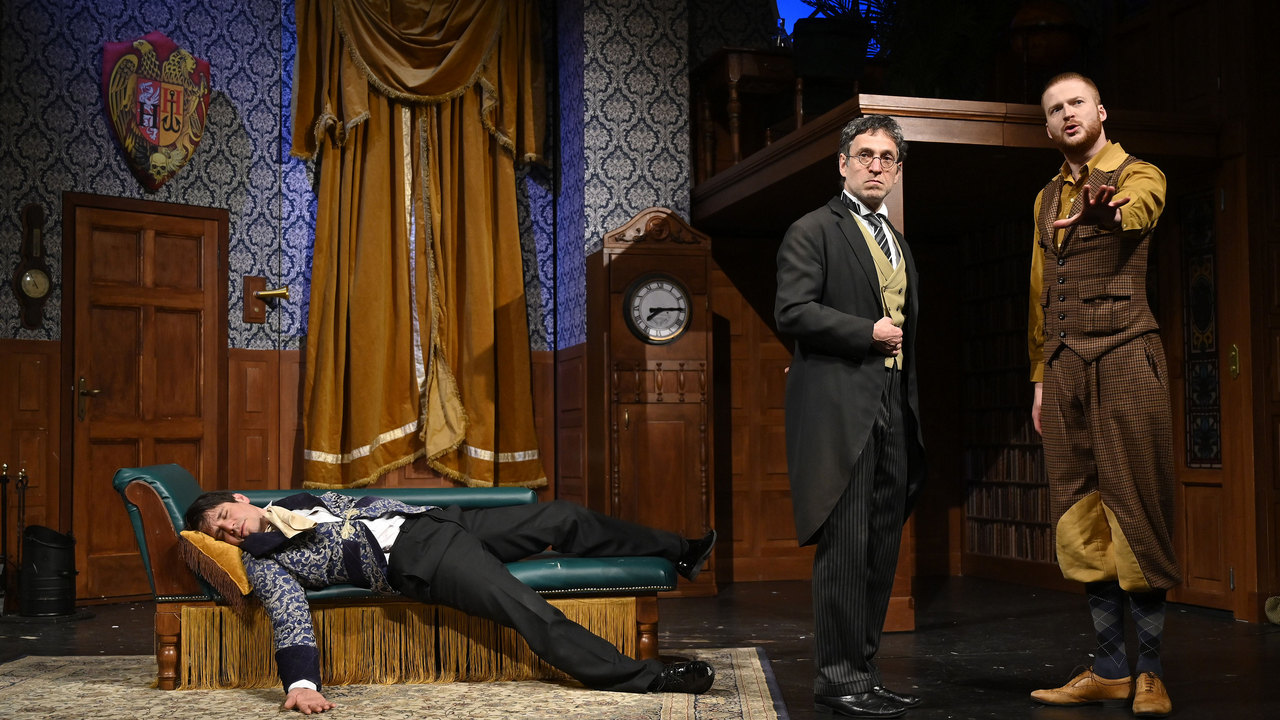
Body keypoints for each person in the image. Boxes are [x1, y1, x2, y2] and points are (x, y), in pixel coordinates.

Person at [185, 490, 718, 714]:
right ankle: (645, 677)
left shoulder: (295, 501)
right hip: (422, 558)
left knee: (564, 517)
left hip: (441, 520)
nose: (231, 531)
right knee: (529, 611)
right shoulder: (265, 560)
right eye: (220, 534)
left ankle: (682, 551)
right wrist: (300, 684)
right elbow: (288, 613)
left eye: (227, 518)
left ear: (240, 499)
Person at [1027, 72, 1178, 718]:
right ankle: (1112, 668)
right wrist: (1040, 377)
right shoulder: (1044, 199)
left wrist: (1109, 211)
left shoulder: (1138, 173)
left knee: (1137, 505)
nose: (1066, 114)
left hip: (1125, 357)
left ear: (1101, 111)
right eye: (1054, 109)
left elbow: (1140, 209)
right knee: (1078, 513)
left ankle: (1152, 673)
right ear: (1047, 126)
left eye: (1076, 103)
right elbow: (1040, 290)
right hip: (1064, 369)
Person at [775, 114, 926, 719]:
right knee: (845, 546)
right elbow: (793, 310)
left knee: (881, 544)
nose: (875, 166)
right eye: (864, 155)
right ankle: (837, 679)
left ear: (897, 170)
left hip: (893, 404)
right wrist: (866, 331)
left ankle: (863, 671)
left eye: (887, 158)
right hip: (841, 409)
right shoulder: (813, 229)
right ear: (842, 164)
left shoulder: (898, 242)